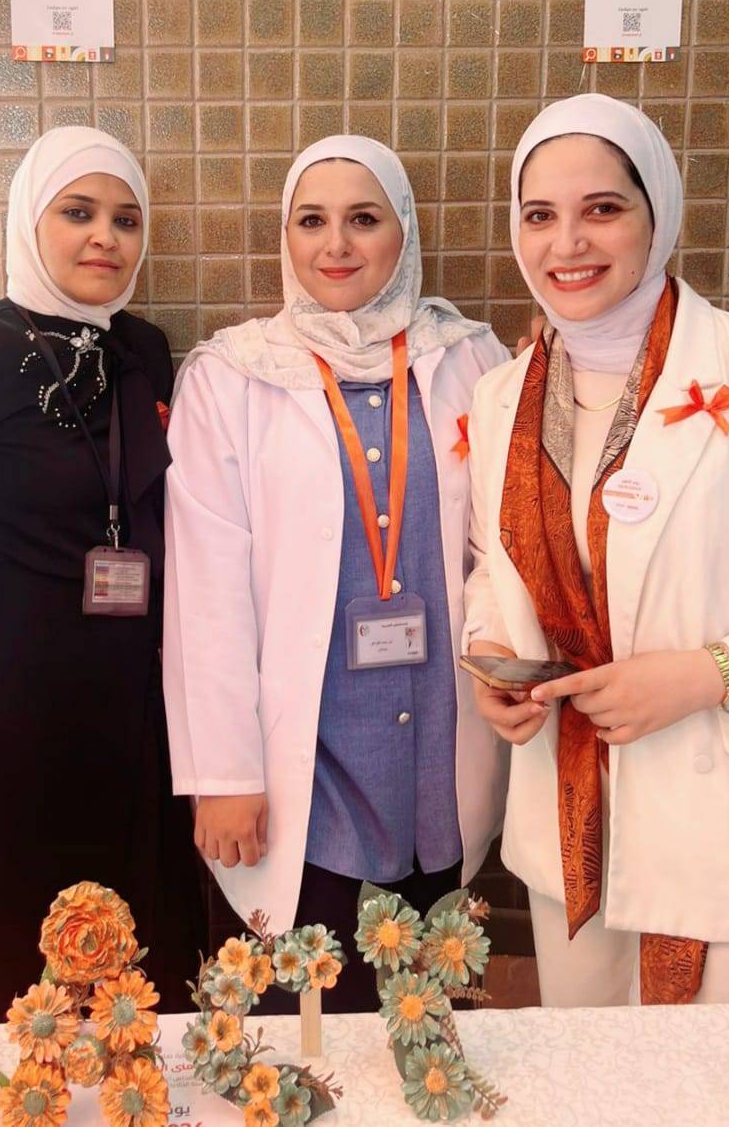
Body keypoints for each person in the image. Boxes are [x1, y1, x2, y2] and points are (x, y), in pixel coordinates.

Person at [163, 135, 509, 1012]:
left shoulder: (471, 359)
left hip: (439, 746)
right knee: (304, 1020)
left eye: (364, 219)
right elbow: (206, 594)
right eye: (311, 221)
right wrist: (224, 773)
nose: (337, 245)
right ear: (286, 238)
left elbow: (503, 547)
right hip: (304, 762)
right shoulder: (231, 377)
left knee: (424, 1018)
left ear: (405, 232)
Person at [464, 94, 729, 1007]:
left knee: (713, 1072)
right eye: (540, 215)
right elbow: (497, 564)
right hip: (571, 826)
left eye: (602, 209)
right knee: (587, 1067)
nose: (567, 243)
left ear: (660, 215)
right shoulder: (503, 397)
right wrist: (492, 648)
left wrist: (710, 673)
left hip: (728, 827)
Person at [0, 127, 204, 1020]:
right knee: (11, 946)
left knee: (128, 945)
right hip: (2, 700)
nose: (104, 236)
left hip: (126, 694)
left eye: (125, 219)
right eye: (77, 213)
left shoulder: (144, 348)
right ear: (30, 221)